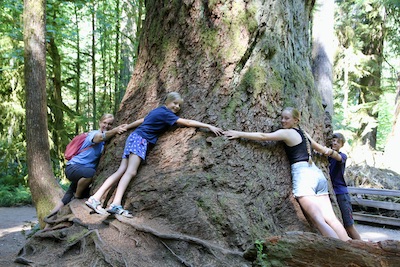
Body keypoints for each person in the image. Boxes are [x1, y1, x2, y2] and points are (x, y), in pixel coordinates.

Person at [86, 92, 223, 216]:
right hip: (140, 140)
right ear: (167, 102)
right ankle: (115, 204)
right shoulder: (166, 113)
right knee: (131, 172)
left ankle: (95, 198)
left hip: (133, 137)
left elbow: (142, 120)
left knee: (122, 170)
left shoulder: (157, 111)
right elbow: (186, 122)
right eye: (174, 103)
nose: (177, 107)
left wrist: (127, 127)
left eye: (179, 105)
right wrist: (208, 126)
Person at [223, 107, 351, 241]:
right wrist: (335, 155)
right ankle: (350, 246)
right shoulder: (303, 133)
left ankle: (340, 250)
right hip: (316, 173)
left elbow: (263, 136)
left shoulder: (287, 133)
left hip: (304, 177)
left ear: (296, 120)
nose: (283, 121)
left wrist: (239, 133)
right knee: (331, 218)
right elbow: (319, 148)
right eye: (282, 117)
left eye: (287, 118)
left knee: (319, 220)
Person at [47, 114, 128, 217]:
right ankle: (77, 196)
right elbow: (99, 138)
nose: (107, 126)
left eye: (110, 124)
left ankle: (48, 222)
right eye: (105, 123)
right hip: (74, 167)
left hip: (82, 171)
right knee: (90, 174)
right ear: (100, 123)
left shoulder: (106, 143)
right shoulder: (94, 134)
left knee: (65, 199)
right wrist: (115, 130)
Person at [327, 133, 361, 239]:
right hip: (329, 192)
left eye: (338, 142)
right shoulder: (326, 157)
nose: (335, 143)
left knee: (348, 225)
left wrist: (326, 150)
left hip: (341, 193)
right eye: (333, 140)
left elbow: (337, 157)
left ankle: (362, 244)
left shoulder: (342, 156)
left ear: (342, 145)